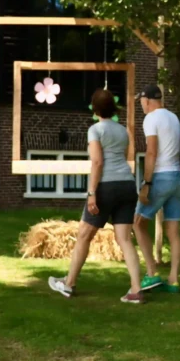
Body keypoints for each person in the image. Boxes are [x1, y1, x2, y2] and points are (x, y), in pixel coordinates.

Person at [49, 89, 144, 304]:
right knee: (125, 239)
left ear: (94, 109)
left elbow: (98, 162)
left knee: (84, 235)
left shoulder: (95, 130)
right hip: (128, 186)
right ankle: (136, 290)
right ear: (113, 108)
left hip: (106, 187)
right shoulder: (123, 131)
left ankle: (69, 284)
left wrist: (91, 193)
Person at [133, 84, 180, 294]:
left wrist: (147, 183)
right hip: (178, 177)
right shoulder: (175, 118)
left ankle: (152, 273)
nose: (141, 106)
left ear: (147, 100)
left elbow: (151, 151)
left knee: (137, 223)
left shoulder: (151, 119)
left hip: (161, 177)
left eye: (141, 102)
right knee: (173, 231)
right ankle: (173, 279)